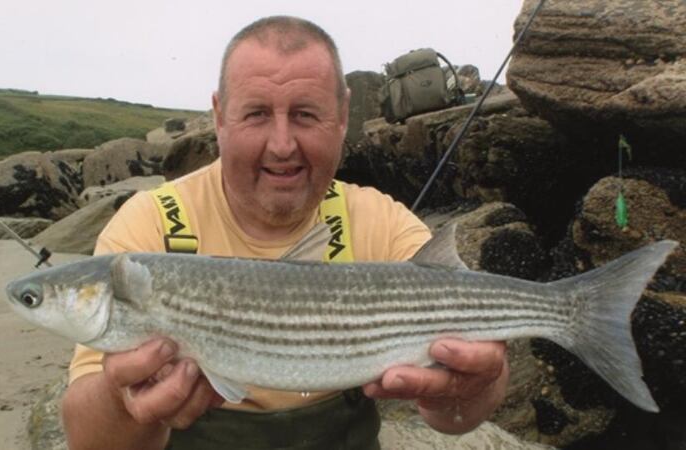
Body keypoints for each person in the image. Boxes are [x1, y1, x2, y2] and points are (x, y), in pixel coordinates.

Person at [62, 16, 508, 450]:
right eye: (256, 114)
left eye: (305, 114)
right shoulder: (147, 227)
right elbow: (89, 440)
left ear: (341, 116)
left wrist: (471, 388)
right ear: (219, 116)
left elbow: (456, 418)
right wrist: (123, 400)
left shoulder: (382, 222)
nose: (281, 145)